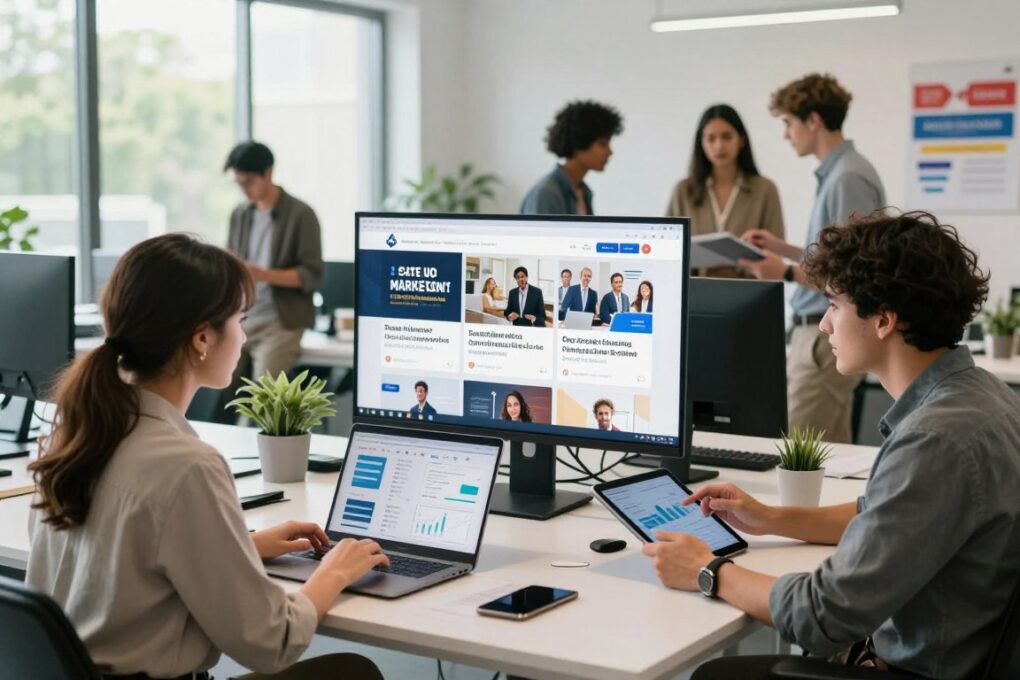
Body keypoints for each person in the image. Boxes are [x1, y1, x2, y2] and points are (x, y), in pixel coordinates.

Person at [644, 212, 1020, 680]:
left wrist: (707, 571)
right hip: (957, 652)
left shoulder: (935, 438)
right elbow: (881, 512)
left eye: (834, 306)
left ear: (884, 319)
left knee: (713, 675)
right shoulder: (982, 396)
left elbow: (823, 616)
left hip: (913, 669)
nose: (823, 325)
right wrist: (773, 518)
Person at [25, 234, 389, 679]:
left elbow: (121, 565)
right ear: (202, 337)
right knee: (352, 672)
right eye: (241, 318)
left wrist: (241, 549)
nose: (244, 334)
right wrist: (334, 571)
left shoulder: (72, 433)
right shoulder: (186, 465)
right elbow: (272, 642)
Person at [740, 74, 886, 444]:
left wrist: (784, 271)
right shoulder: (840, 173)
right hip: (820, 335)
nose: (786, 135)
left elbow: (853, 273)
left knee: (797, 454)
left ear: (814, 121)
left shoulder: (847, 177)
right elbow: (836, 256)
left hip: (825, 338)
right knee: (827, 460)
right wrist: (784, 248)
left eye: (788, 123)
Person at [225, 140, 324, 385]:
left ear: (267, 173)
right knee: (212, 392)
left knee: (263, 398)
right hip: (241, 318)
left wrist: (261, 274)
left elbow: (311, 274)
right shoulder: (240, 214)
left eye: (248, 182)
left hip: (280, 323)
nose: (244, 190)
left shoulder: (301, 214)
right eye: (239, 183)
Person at [667, 104, 784, 278]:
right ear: (702, 143)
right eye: (711, 139)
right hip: (696, 293)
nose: (719, 145)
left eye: (727, 137)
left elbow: (776, 253)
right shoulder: (684, 191)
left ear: (741, 140)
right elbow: (668, 251)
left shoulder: (765, 190)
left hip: (750, 294)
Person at [520, 100, 624, 215]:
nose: (610, 152)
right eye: (602, 144)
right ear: (579, 143)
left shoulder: (583, 192)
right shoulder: (546, 194)